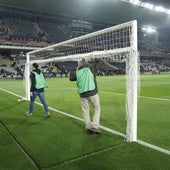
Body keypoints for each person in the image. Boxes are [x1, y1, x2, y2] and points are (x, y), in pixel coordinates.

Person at [69, 55, 103, 134]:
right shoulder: (91, 69)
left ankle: (88, 127)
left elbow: (70, 77)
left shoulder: (77, 72)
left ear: (79, 65)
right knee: (97, 108)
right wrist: (94, 58)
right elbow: (101, 62)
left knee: (85, 111)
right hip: (93, 93)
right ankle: (95, 126)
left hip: (83, 95)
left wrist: (77, 69)